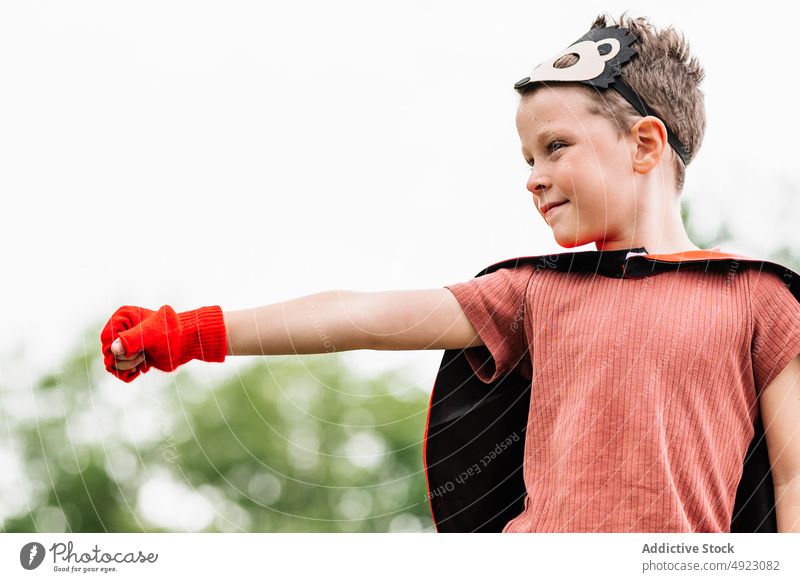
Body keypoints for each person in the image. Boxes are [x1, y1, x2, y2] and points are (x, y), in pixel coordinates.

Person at [101, 13, 800, 533]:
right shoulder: (533, 292)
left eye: (555, 147)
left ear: (645, 144)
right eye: (527, 159)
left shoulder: (758, 298)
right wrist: (189, 332)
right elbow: (361, 317)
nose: (535, 177)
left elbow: (793, 477)